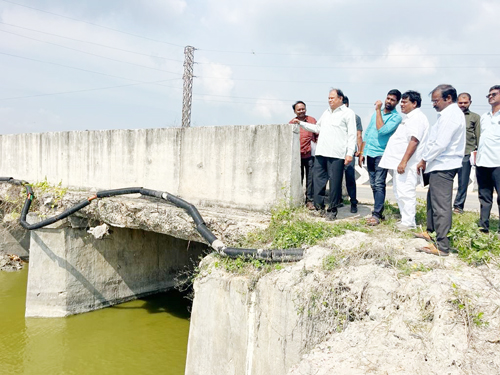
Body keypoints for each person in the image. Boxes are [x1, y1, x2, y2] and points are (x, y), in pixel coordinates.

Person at [291, 88, 356, 220]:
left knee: (334, 183)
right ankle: (319, 208)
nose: (330, 100)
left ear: (340, 99)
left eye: (332, 98)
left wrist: (350, 153)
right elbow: (317, 128)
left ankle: (332, 211)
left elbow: (352, 134)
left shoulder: (348, 113)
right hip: (321, 152)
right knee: (318, 181)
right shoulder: (326, 113)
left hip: (336, 154)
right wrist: (302, 124)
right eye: (328, 98)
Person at [416, 84, 466, 256]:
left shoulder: (451, 115)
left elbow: (440, 144)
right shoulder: (445, 114)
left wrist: (424, 159)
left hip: (444, 165)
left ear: (448, 98)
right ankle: (431, 233)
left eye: (436, 100)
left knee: (441, 206)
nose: (434, 104)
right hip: (437, 164)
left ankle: (442, 246)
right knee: (433, 201)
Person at [379, 91, 429, 230]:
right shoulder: (408, 118)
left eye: (405, 102)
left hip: (408, 164)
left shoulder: (417, 118)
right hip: (401, 163)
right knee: (399, 191)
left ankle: (409, 222)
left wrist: (404, 161)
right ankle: (405, 219)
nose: (401, 104)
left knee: (406, 193)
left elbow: (414, 141)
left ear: (414, 103)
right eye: (401, 102)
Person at [359, 89, 402, 225]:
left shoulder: (396, 118)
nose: (389, 101)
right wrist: (361, 152)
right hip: (370, 152)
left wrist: (378, 111)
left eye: (392, 100)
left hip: (382, 154)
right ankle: (379, 212)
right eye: (388, 98)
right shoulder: (375, 114)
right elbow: (368, 132)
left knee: (379, 183)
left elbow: (381, 130)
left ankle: (376, 214)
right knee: (373, 184)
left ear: (397, 102)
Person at [475, 85, 500, 239]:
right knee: (484, 195)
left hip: (498, 162)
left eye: (494, 94)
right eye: (488, 95)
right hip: (482, 162)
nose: (490, 97)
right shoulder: (484, 117)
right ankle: (483, 225)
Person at [453, 93, 481, 214]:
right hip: (451, 154)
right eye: (460, 103)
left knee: (462, 182)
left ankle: (458, 207)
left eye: (465, 103)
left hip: (466, 154)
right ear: (456, 102)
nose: (463, 105)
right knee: (445, 181)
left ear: (470, 102)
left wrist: (478, 153)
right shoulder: (451, 116)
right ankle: (442, 205)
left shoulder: (475, 117)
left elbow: (479, 135)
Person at [290, 101, 317, 210]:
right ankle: (298, 199)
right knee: (298, 179)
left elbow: (318, 134)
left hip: (310, 155)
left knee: (311, 179)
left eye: (303, 109)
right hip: (297, 156)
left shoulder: (312, 121)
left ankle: (309, 201)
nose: (301, 111)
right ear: (295, 111)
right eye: (299, 109)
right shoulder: (292, 123)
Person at [339, 96, 363, 213]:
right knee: (336, 177)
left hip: (349, 152)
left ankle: (353, 202)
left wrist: (359, 150)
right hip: (336, 151)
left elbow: (359, 135)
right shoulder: (334, 116)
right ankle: (337, 200)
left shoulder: (355, 117)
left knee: (349, 177)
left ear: (347, 104)